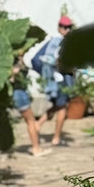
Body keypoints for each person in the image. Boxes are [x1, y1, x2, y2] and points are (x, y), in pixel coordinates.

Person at [35, 15, 74, 145]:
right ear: (59, 27)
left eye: (69, 27)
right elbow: (59, 61)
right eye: (65, 27)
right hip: (60, 79)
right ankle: (56, 137)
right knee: (62, 107)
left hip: (54, 80)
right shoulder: (59, 42)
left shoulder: (52, 41)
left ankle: (38, 124)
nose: (67, 29)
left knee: (58, 106)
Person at [12, 53, 48, 156]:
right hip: (19, 94)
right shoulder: (15, 64)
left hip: (21, 93)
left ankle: (36, 146)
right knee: (31, 121)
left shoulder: (18, 61)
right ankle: (36, 148)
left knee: (30, 121)